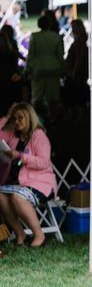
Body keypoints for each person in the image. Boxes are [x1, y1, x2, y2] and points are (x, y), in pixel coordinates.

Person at [0, 103, 57, 247]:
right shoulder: (16, 137)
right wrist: (6, 117)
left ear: (30, 117)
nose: (16, 121)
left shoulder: (39, 135)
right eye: (14, 119)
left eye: (20, 118)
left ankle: (39, 235)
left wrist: (20, 156)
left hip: (42, 184)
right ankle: (20, 234)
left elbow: (44, 162)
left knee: (17, 197)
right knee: (0, 196)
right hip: (22, 184)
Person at [26, 15, 65, 119]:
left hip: (38, 69)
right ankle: (53, 118)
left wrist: (27, 69)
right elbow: (60, 55)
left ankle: (34, 119)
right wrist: (63, 68)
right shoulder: (56, 37)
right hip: (54, 68)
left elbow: (31, 55)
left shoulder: (34, 36)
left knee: (36, 96)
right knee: (53, 97)